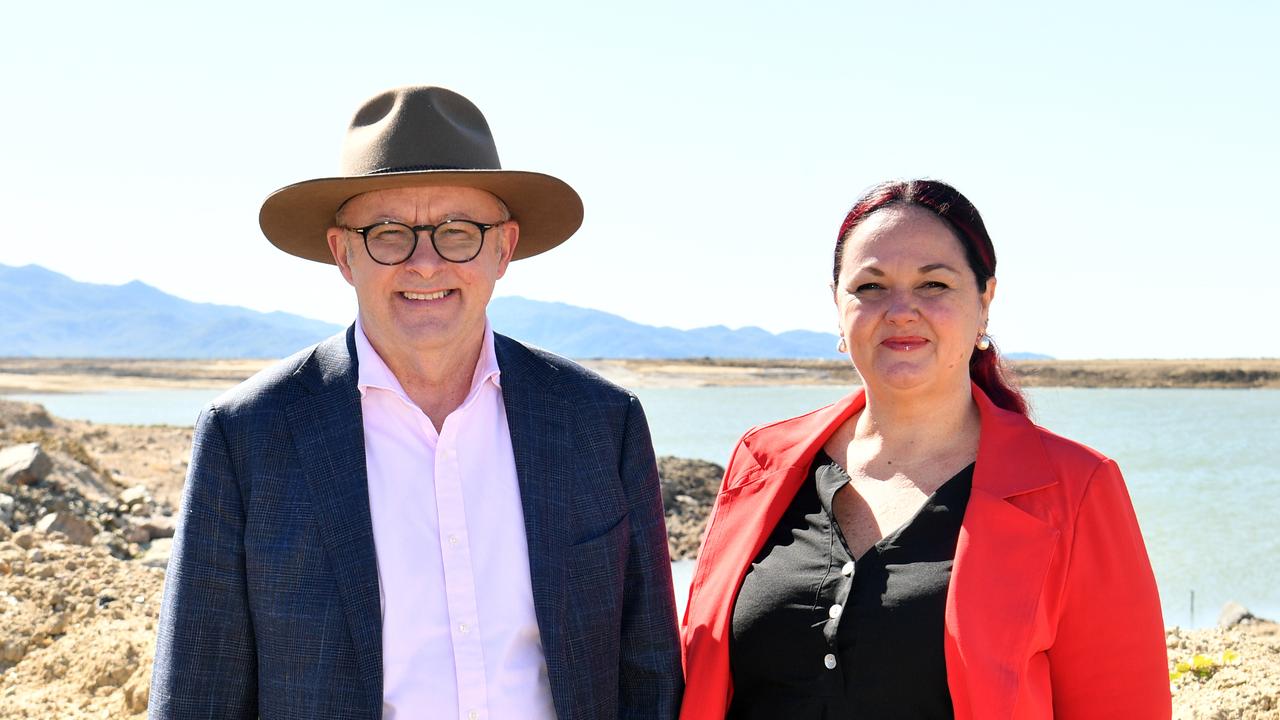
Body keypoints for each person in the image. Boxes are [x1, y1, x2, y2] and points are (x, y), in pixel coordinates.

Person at [150, 86, 682, 720]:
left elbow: (647, 670)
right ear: (342, 253)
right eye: (388, 234)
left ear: (504, 249)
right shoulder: (250, 436)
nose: (425, 263)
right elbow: (198, 693)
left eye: (458, 232)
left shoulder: (601, 422)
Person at [679, 179, 1170, 719]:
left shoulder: (1076, 488)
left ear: (984, 301)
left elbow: (1123, 705)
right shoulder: (762, 461)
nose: (901, 310)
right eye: (870, 287)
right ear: (836, 304)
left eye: (934, 283)